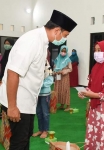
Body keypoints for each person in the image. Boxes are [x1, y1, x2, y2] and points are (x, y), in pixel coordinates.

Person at [0, 10, 77, 150]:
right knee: (19, 142)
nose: (63, 39)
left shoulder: (43, 42)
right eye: (65, 35)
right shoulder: (32, 41)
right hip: (18, 102)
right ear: (57, 30)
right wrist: (12, 106)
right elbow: (13, 72)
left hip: (27, 101)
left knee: (25, 137)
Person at [78, 40, 104, 150]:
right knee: (96, 132)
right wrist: (85, 91)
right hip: (97, 106)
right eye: (95, 50)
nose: (97, 53)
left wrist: (91, 94)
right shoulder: (96, 67)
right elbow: (92, 86)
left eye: (100, 50)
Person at [32, 60, 53, 138]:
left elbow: (50, 81)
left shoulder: (48, 69)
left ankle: (45, 131)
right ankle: (40, 130)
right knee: (39, 112)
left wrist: (39, 84)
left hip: (45, 94)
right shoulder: (36, 71)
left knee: (45, 113)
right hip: (37, 94)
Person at [53, 45, 72, 111]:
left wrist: (63, 71)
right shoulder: (57, 59)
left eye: (64, 51)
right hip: (58, 77)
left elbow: (70, 69)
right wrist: (55, 71)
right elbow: (55, 67)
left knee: (65, 90)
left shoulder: (68, 59)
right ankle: (61, 105)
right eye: (62, 51)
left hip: (64, 77)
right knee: (58, 90)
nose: (63, 52)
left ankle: (68, 105)